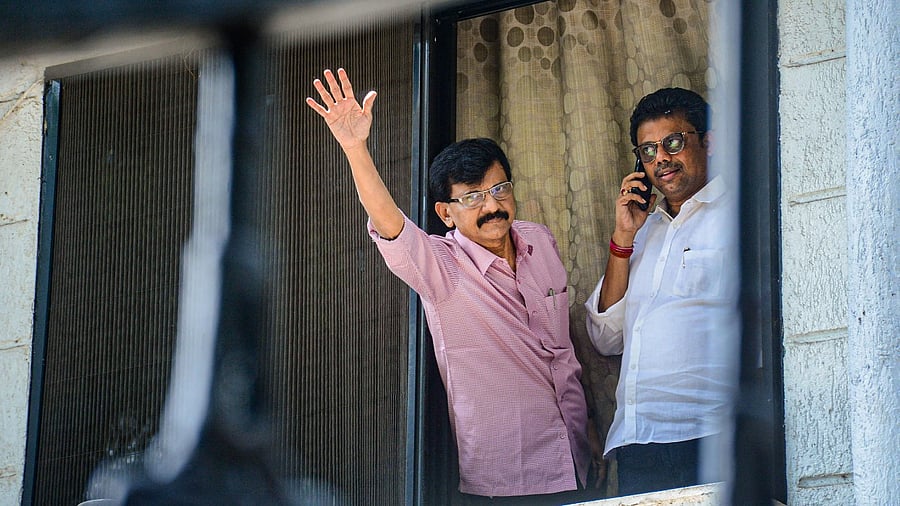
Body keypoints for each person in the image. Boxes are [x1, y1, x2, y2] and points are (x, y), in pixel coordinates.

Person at [306, 68, 592, 503]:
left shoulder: (538, 240)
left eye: (499, 189)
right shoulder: (441, 266)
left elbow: (562, 353)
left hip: (575, 458)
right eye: (473, 196)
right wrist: (355, 148)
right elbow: (390, 224)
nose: (492, 205)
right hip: (509, 479)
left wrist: (586, 431)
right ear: (445, 213)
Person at [584, 88, 738, 496]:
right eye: (648, 151)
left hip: (709, 434)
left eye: (673, 143)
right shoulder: (643, 231)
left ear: (710, 141)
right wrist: (622, 238)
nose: (660, 161)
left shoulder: (739, 215)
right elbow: (605, 337)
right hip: (638, 441)